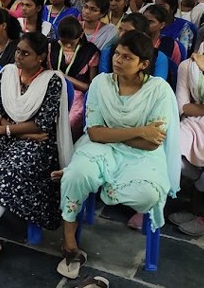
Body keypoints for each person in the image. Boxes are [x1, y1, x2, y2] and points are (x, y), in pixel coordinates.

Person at [56, 31, 180, 280]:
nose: (118, 60)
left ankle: (103, 186)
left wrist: (117, 133)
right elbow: (94, 133)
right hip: (100, 147)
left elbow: (151, 144)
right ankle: (69, 243)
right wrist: (140, 130)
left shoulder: (159, 91)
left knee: (148, 194)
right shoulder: (102, 83)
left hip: (141, 155)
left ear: (143, 64)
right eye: (117, 54)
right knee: (76, 176)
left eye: (127, 57)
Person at [0, 32, 73, 273]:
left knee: (9, 173)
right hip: (8, 137)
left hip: (37, 147)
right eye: (18, 50)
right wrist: (19, 131)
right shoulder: (7, 73)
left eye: (25, 53)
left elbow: (43, 125)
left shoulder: (52, 81)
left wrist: (10, 130)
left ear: (40, 57)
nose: (18, 56)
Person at [49, 17, 99, 141]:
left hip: (77, 94)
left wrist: (64, 77)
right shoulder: (51, 47)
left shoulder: (90, 51)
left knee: (68, 121)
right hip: (51, 89)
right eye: (63, 41)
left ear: (81, 34)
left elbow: (89, 87)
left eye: (72, 42)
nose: (68, 45)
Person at [174, 51, 204, 236]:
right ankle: (196, 210)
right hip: (193, 122)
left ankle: (201, 216)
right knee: (171, 150)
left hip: (197, 115)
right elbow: (182, 106)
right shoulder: (187, 65)